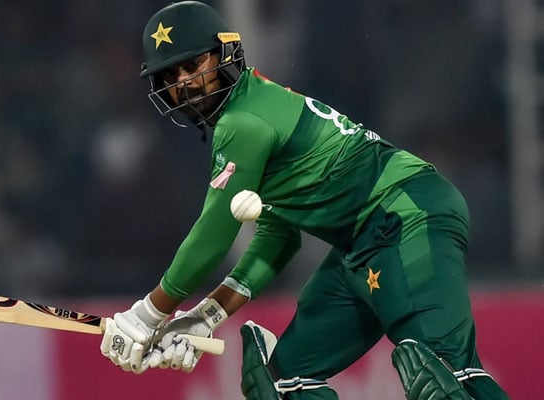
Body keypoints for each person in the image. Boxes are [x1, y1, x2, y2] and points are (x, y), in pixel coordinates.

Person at [99, 2, 510, 399]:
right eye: (171, 75)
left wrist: (148, 313)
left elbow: (214, 234)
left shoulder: (242, 123)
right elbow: (278, 238)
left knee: (445, 379)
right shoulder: (252, 106)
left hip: (405, 216)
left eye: (193, 65)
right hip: (362, 243)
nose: (185, 82)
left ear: (225, 54)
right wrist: (205, 316)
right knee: (287, 382)